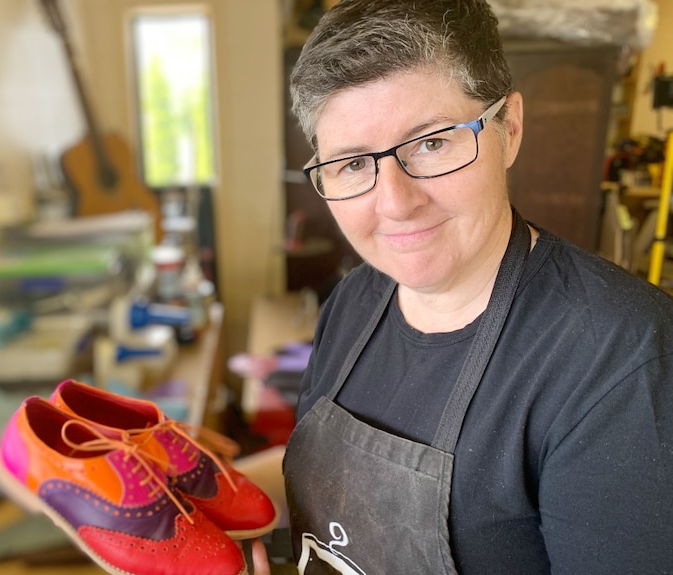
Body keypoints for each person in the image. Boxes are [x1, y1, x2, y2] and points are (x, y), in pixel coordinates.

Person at [252, 0, 673, 573]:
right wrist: (197, 490)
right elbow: (327, 487)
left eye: (431, 143)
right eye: (353, 164)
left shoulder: (619, 357)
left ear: (510, 129)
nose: (395, 203)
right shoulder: (353, 302)